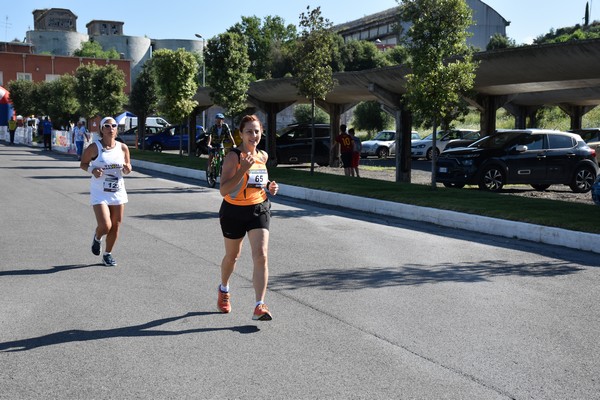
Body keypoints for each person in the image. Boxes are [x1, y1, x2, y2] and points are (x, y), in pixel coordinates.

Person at [216, 114, 279, 321]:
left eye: (257, 131)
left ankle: (259, 305)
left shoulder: (263, 156)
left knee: (261, 255)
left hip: (258, 208)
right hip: (233, 211)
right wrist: (242, 169)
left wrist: (270, 186)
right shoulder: (233, 156)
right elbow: (224, 190)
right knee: (232, 257)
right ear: (241, 134)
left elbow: (259, 180)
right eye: (249, 131)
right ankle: (224, 289)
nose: (254, 135)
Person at [79, 117, 132, 267]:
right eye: (107, 126)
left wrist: (128, 169)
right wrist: (92, 169)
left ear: (116, 128)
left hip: (117, 191)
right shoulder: (94, 148)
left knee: (116, 225)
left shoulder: (122, 148)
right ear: (102, 129)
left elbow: (128, 166)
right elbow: (83, 164)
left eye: (114, 125)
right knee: (105, 225)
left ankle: (107, 254)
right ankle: (97, 237)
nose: (111, 128)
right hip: (100, 192)